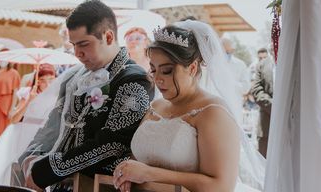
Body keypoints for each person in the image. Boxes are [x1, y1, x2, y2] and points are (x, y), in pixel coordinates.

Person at [110, 21, 265, 192]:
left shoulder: (213, 112)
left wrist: (150, 173)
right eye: (153, 70)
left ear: (192, 68)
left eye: (167, 71)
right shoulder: (155, 106)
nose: (158, 79)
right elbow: (138, 162)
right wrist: (127, 173)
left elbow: (221, 186)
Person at [17, 0, 153, 191]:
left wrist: (46, 170)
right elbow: (52, 125)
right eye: (73, 45)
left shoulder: (135, 80)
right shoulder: (73, 78)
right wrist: (32, 155)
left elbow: (112, 145)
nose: (77, 53)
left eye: (84, 44)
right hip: (57, 185)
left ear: (108, 36)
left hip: (100, 186)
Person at [0, 64, 57, 185]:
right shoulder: (28, 93)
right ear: (37, 82)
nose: (47, 84)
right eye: (42, 80)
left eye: (51, 79)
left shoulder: (56, 97)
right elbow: (14, 119)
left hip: (42, 137)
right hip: (22, 134)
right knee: (15, 169)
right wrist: (29, 102)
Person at [250, 48, 274, 158]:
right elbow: (256, 90)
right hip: (266, 125)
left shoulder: (297, 63)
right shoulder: (262, 65)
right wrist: (276, 107)